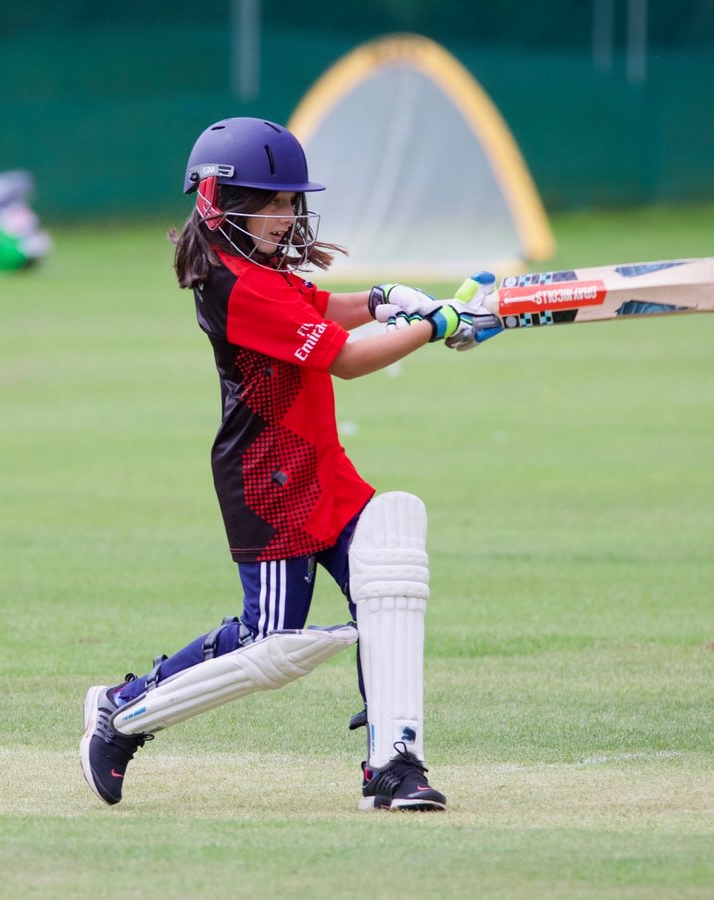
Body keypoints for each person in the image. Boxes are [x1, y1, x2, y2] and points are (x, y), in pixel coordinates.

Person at [79, 117, 486, 812]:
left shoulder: (261, 271)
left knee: (387, 587)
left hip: (321, 467)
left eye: (291, 201)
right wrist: (435, 325)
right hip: (270, 485)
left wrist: (386, 299)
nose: (286, 215)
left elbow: (322, 310)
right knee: (269, 639)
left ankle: (393, 766)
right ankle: (122, 714)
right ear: (218, 202)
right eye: (270, 202)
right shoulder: (236, 287)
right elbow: (346, 359)